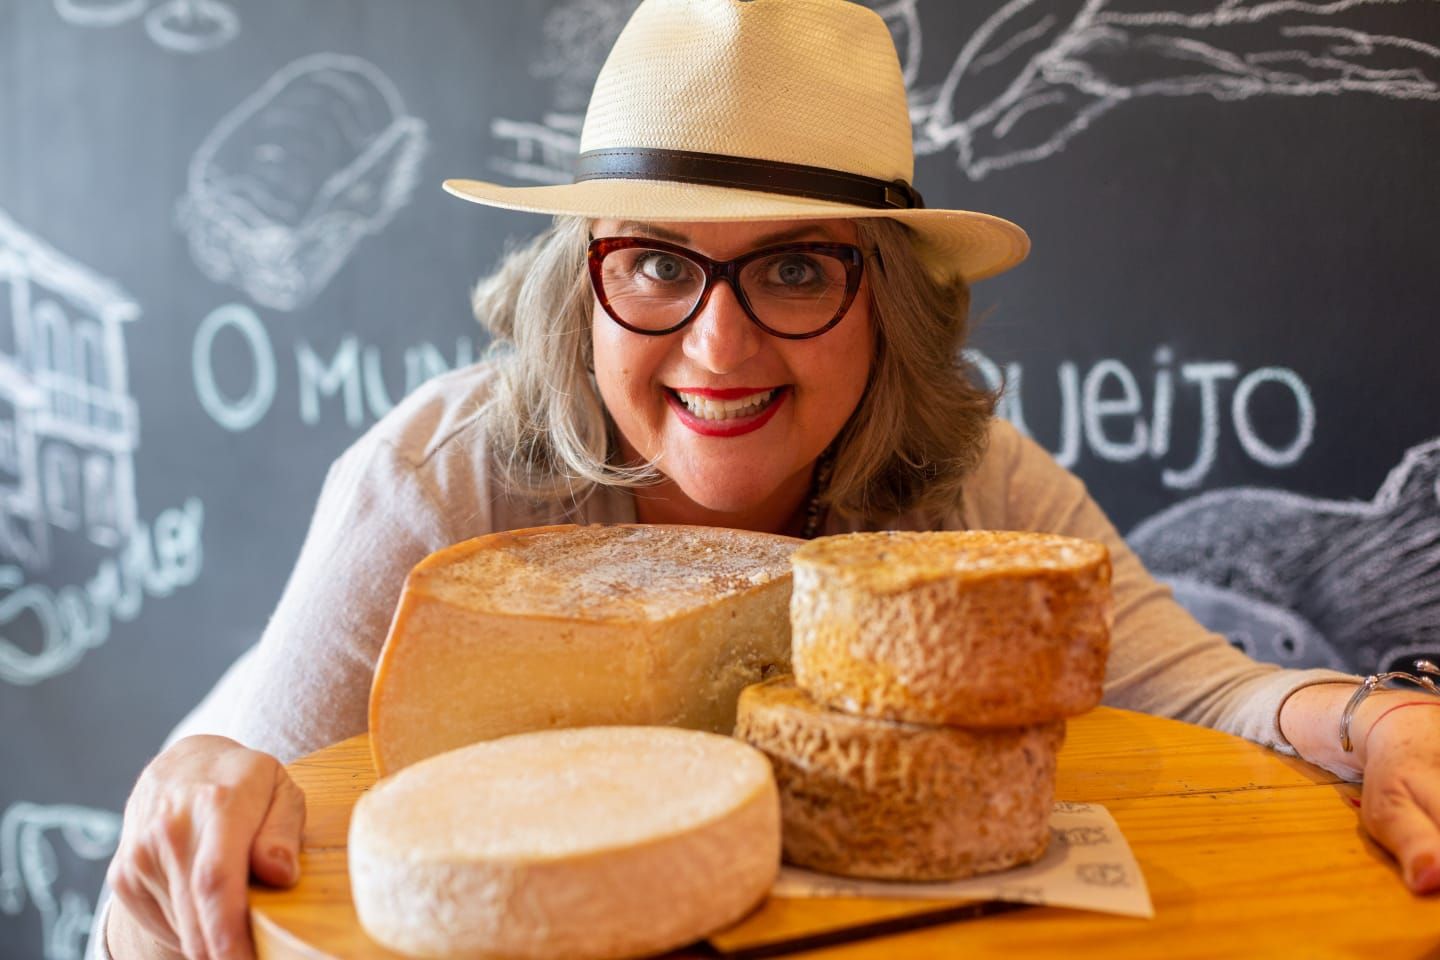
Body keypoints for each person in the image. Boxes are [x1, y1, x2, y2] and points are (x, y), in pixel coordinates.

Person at [95, 2, 1440, 958]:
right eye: (660, 263)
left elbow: (1197, 685)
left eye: (796, 267)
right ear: (585, 287)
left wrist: (1381, 727)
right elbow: (220, 841)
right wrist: (206, 788)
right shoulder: (445, 479)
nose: (719, 342)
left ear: (887, 303)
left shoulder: (967, 475)